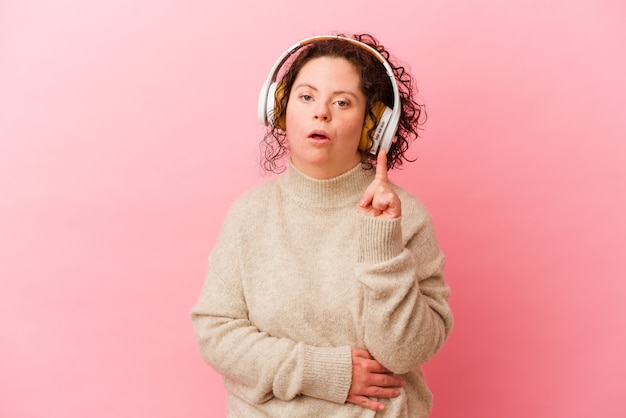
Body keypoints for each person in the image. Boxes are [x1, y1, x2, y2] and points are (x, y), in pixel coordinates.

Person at [190, 33, 453, 417]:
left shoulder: (405, 217)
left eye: (342, 102)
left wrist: (381, 244)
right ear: (279, 108)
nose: (321, 113)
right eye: (306, 96)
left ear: (373, 125)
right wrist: (325, 372)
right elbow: (216, 334)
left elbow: (405, 352)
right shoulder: (249, 214)